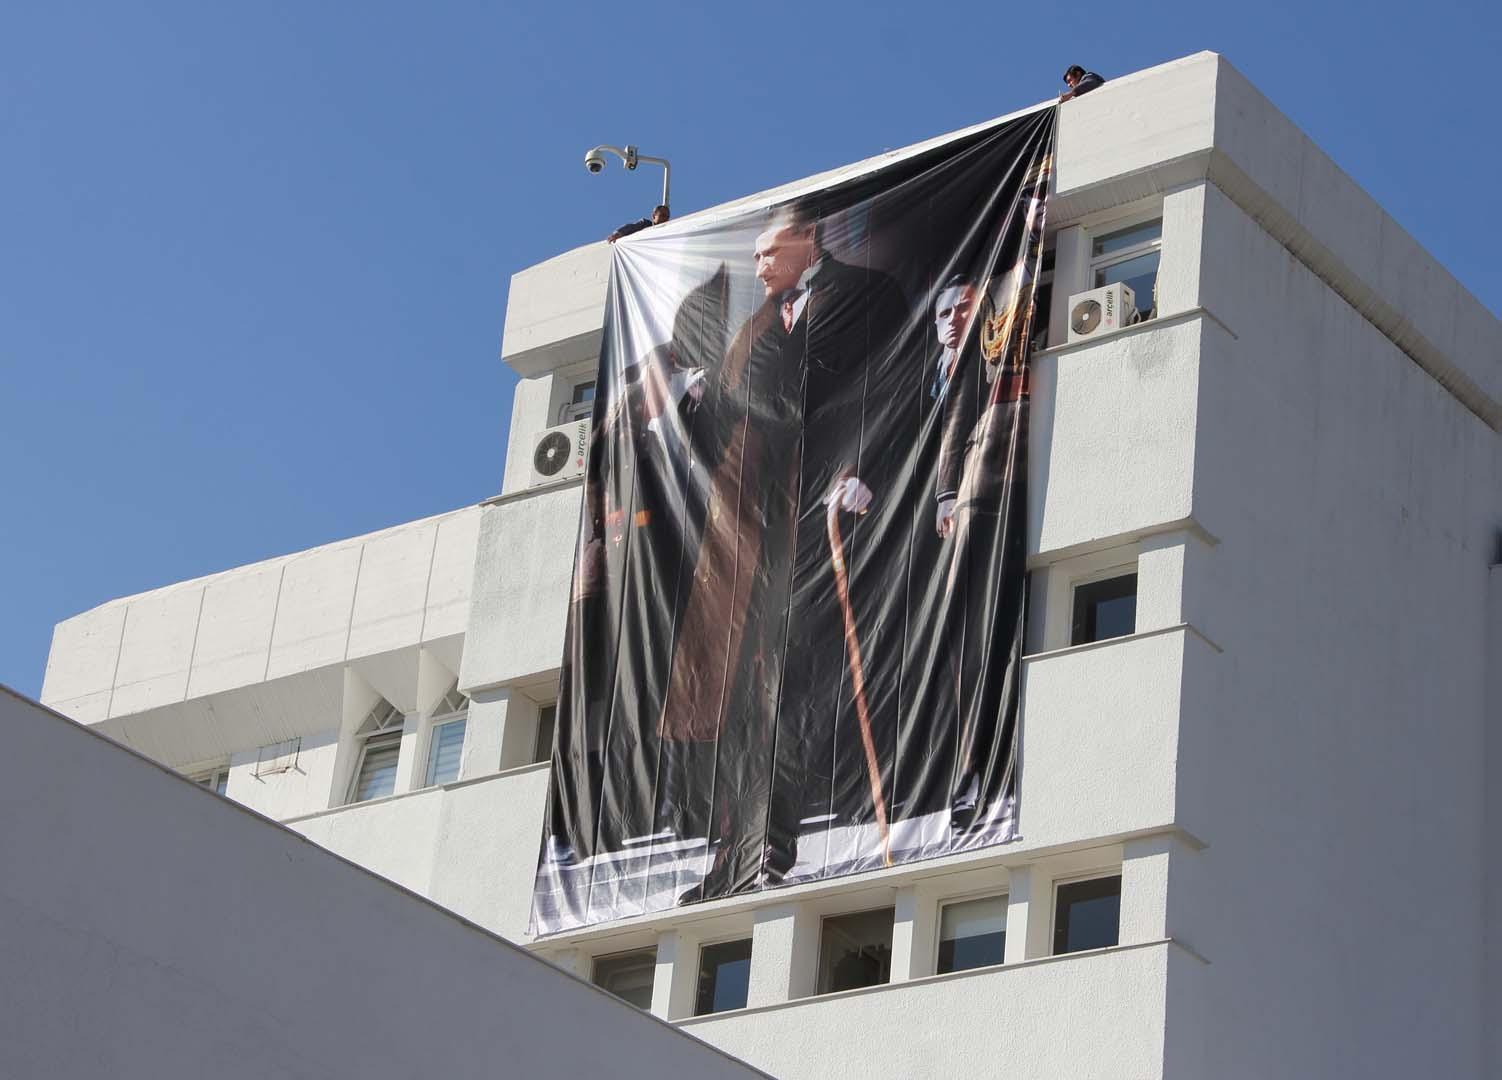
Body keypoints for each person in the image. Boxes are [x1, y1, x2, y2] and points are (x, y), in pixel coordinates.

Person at [657, 202, 908, 897]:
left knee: (801, 688)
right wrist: (694, 398)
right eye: (756, 254)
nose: (760, 264)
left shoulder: (867, 294)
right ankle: (741, 854)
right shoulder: (756, 326)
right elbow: (729, 418)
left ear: (810, 239)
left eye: (771, 250)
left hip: (837, 517)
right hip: (754, 536)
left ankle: (783, 840)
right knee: (748, 698)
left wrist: (861, 468)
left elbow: (886, 389)